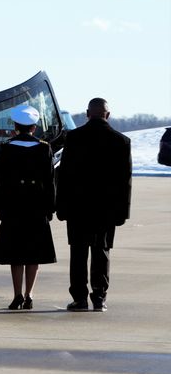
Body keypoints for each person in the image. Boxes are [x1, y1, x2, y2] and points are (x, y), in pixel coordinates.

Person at [57, 98, 131, 312]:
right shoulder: (121, 141)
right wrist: (122, 213)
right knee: (102, 252)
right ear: (108, 114)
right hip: (106, 210)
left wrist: (61, 207)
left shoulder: (73, 138)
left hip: (78, 208)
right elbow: (124, 182)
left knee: (78, 254)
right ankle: (99, 297)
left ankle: (79, 298)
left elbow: (64, 176)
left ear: (88, 113)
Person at [0, 104, 56, 310]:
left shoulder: (6, 148)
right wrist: (50, 207)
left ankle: (17, 294)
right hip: (36, 206)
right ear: (34, 127)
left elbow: (0, 182)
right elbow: (50, 181)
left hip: (13, 206)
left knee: (16, 253)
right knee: (33, 252)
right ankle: (29, 294)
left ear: (15, 127)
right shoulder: (44, 147)